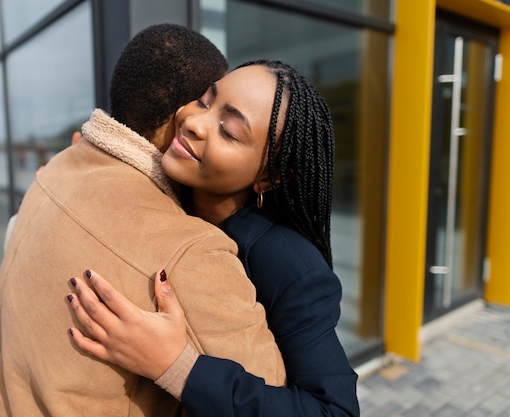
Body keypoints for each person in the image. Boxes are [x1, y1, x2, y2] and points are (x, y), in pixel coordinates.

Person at [0, 24, 286, 417]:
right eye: (207, 103)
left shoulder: (54, 172)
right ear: (184, 116)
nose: (202, 122)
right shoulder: (189, 249)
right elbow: (273, 397)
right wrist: (176, 366)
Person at [67, 60, 360, 416]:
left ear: (268, 179)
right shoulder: (161, 194)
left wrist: (177, 367)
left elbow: (335, 410)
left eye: (230, 131)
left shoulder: (289, 265)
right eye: (205, 100)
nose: (194, 122)